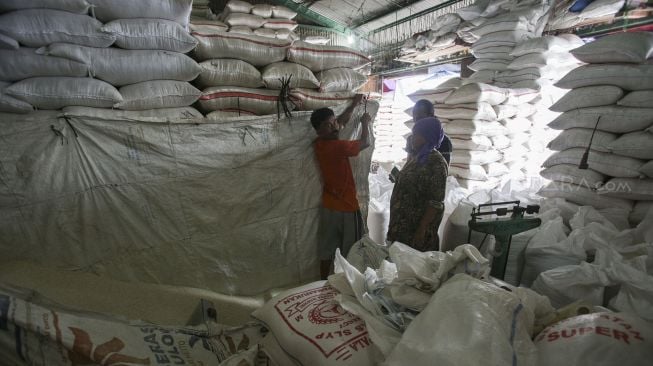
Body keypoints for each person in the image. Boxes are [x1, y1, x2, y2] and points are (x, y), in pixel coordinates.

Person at [311, 94, 372, 279]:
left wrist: (353, 104)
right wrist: (365, 122)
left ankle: (322, 282)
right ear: (319, 131)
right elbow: (365, 142)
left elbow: (341, 122)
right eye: (328, 126)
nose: (334, 127)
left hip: (329, 205)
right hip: (347, 207)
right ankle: (349, 281)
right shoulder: (337, 146)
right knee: (352, 249)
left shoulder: (319, 144)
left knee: (327, 249)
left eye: (333, 123)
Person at [387, 110, 448, 251]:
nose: (412, 138)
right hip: (402, 227)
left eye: (416, 135)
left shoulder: (436, 163)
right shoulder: (417, 157)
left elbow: (435, 202)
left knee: (415, 269)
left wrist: (421, 231)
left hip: (416, 231)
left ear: (427, 137)